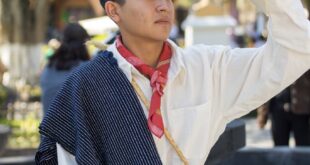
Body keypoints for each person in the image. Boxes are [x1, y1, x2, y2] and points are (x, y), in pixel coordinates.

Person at [36, 0, 310, 164]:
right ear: (114, 10)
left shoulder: (208, 68)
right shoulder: (85, 86)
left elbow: (298, 49)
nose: (163, 5)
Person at [40, 23, 90, 116]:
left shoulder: (48, 68)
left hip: (47, 127)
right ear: (85, 42)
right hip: (74, 129)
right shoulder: (87, 70)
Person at [258, 71, 310, 146]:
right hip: (277, 108)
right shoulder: (273, 60)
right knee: (279, 149)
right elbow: (265, 83)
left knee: (303, 148)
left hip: (302, 109)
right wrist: (262, 112)